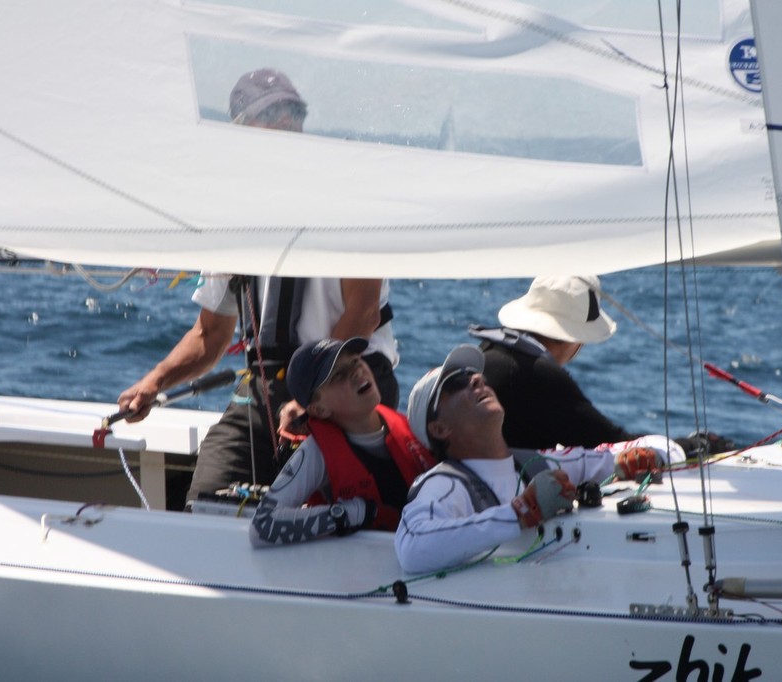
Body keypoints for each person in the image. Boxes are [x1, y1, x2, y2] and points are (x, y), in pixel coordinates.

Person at [116, 69, 399, 509]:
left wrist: (313, 395)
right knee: (209, 499)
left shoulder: (348, 201)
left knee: (338, 514)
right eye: (272, 114)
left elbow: (361, 314)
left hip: (347, 377)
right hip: (266, 390)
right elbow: (210, 337)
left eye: (293, 111)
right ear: (241, 132)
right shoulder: (232, 220)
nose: (287, 122)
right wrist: (153, 383)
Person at [395, 345, 686, 574]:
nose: (475, 378)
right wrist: (521, 512)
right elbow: (411, 548)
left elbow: (659, 447)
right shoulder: (445, 484)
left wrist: (633, 460)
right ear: (440, 428)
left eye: (474, 373)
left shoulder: (537, 463)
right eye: (455, 383)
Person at [469, 275, 733, 456]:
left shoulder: (487, 353)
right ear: (574, 339)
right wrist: (692, 445)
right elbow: (611, 444)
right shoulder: (538, 374)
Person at [250, 338, 434, 546]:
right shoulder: (317, 453)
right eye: (338, 375)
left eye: (355, 361)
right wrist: (350, 513)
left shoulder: (413, 426)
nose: (357, 372)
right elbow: (262, 526)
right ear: (319, 409)